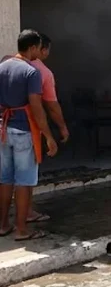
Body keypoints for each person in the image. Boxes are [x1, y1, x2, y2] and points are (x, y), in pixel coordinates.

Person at [0, 30, 59, 241]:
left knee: (5, 180)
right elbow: (36, 107)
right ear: (32, 48)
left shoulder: (2, 66)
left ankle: (3, 225)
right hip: (24, 132)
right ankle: (22, 230)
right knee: (24, 182)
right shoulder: (31, 72)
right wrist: (48, 136)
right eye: (38, 48)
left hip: (3, 130)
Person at [28, 33, 69, 225]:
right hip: (27, 128)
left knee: (7, 176)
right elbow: (50, 106)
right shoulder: (41, 72)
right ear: (39, 49)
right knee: (26, 175)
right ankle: (26, 215)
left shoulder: (6, 63)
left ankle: (4, 222)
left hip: (5, 127)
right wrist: (60, 129)